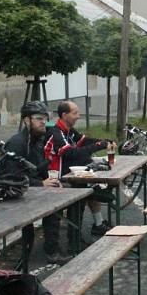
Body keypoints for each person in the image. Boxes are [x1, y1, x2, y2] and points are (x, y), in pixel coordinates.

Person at [5, 101, 70, 263]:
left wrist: (52, 179)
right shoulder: (17, 143)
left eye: (45, 118)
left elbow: (38, 169)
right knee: (52, 203)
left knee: (68, 191)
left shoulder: (37, 140)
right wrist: (41, 184)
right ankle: (51, 250)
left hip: (28, 189)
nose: (43, 122)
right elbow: (11, 176)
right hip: (12, 193)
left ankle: (69, 241)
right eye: (39, 118)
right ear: (26, 121)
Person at [45, 100, 113, 236]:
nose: (78, 116)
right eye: (75, 113)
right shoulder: (56, 132)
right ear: (64, 115)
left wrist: (105, 141)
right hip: (56, 177)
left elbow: (83, 140)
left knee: (89, 182)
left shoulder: (68, 130)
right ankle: (73, 241)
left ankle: (80, 235)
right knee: (85, 191)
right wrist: (99, 145)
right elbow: (71, 153)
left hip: (68, 174)